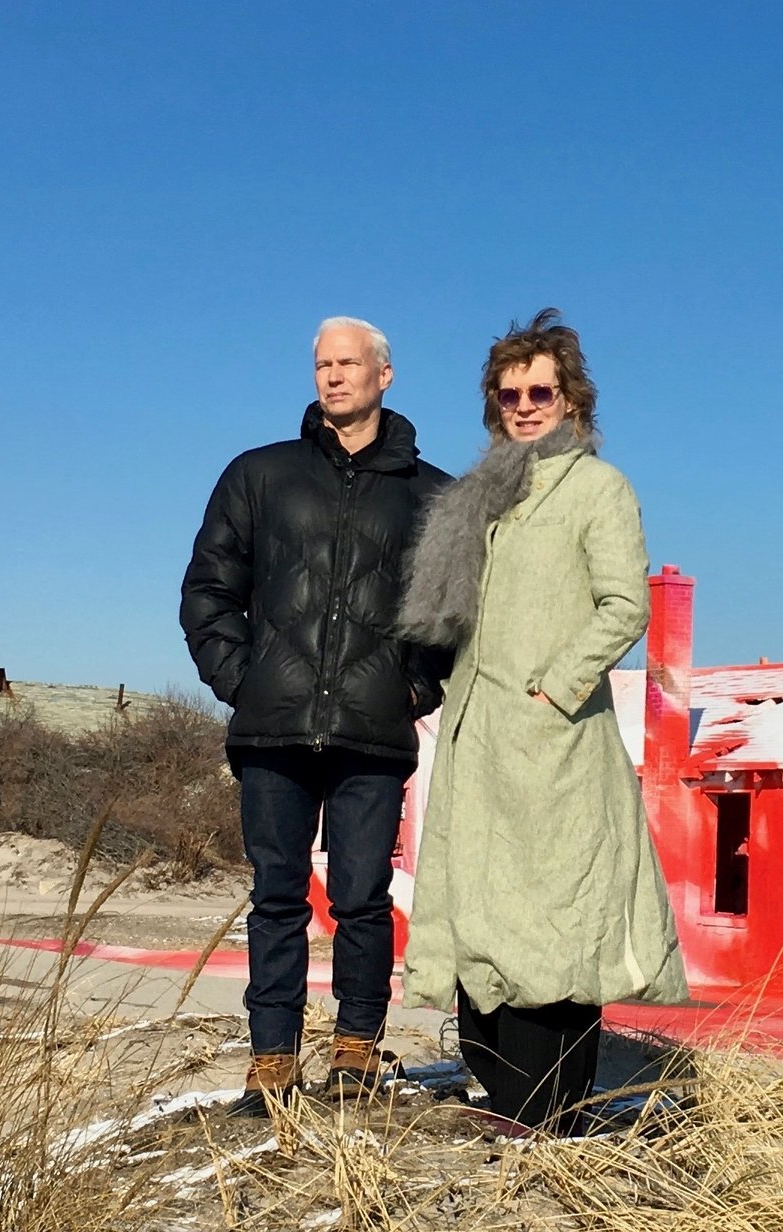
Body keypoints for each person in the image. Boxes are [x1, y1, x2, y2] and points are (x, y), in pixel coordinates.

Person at [395, 308, 686, 1131]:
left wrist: (554, 689)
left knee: (555, 923)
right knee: (484, 911)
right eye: (509, 392)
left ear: (572, 400)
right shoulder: (483, 495)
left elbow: (625, 602)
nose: (525, 405)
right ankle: (507, 1098)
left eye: (541, 392)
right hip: (480, 738)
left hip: (553, 742)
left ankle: (549, 1110)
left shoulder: (598, 487)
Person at [180, 316, 453, 1115]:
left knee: (364, 897)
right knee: (277, 894)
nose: (334, 377)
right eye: (322, 365)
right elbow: (208, 591)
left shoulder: (432, 495)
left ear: (384, 375)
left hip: (373, 730)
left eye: (349, 364)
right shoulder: (258, 475)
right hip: (274, 728)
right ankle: (271, 1059)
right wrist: (242, 678)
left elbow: (450, 615)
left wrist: (415, 690)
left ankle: (357, 1048)